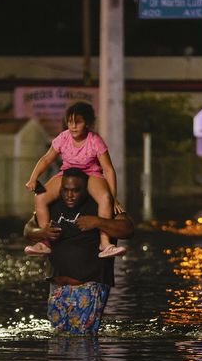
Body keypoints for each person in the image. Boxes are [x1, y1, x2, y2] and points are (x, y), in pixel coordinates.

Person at [24, 168, 134, 335]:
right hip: (57, 288)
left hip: (89, 287)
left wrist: (98, 222)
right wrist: (41, 233)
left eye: (76, 190)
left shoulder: (102, 205)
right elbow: (28, 229)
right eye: (66, 190)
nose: (70, 195)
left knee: (82, 342)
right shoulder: (52, 204)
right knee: (58, 340)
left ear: (86, 189)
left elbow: (127, 229)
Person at [24, 101, 125, 258]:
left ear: (87, 123)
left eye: (78, 122)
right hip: (67, 174)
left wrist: (114, 198)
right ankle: (45, 243)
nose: (73, 126)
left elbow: (108, 169)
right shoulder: (63, 138)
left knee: (105, 198)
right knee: (40, 197)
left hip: (91, 173)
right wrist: (33, 178)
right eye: (70, 122)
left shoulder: (95, 140)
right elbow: (46, 159)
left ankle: (105, 243)